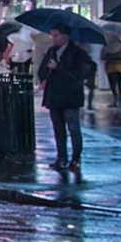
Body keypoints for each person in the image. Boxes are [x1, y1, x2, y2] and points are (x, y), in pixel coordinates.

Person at [36, 20, 92, 172]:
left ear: (66, 36)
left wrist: (58, 67)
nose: (54, 39)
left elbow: (80, 74)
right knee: (58, 128)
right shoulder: (52, 51)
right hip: (54, 95)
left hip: (70, 95)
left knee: (73, 127)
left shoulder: (78, 53)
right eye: (52, 36)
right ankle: (61, 156)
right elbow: (42, 69)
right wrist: (44, 77)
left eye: (56, 36)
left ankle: (75, 158)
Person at [103, 32, 121, 104]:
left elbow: (103, 55)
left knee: (112, 84)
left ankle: (115, 98)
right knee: (119, 83)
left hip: (111, 67)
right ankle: (120, 98)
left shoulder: (107, 45)